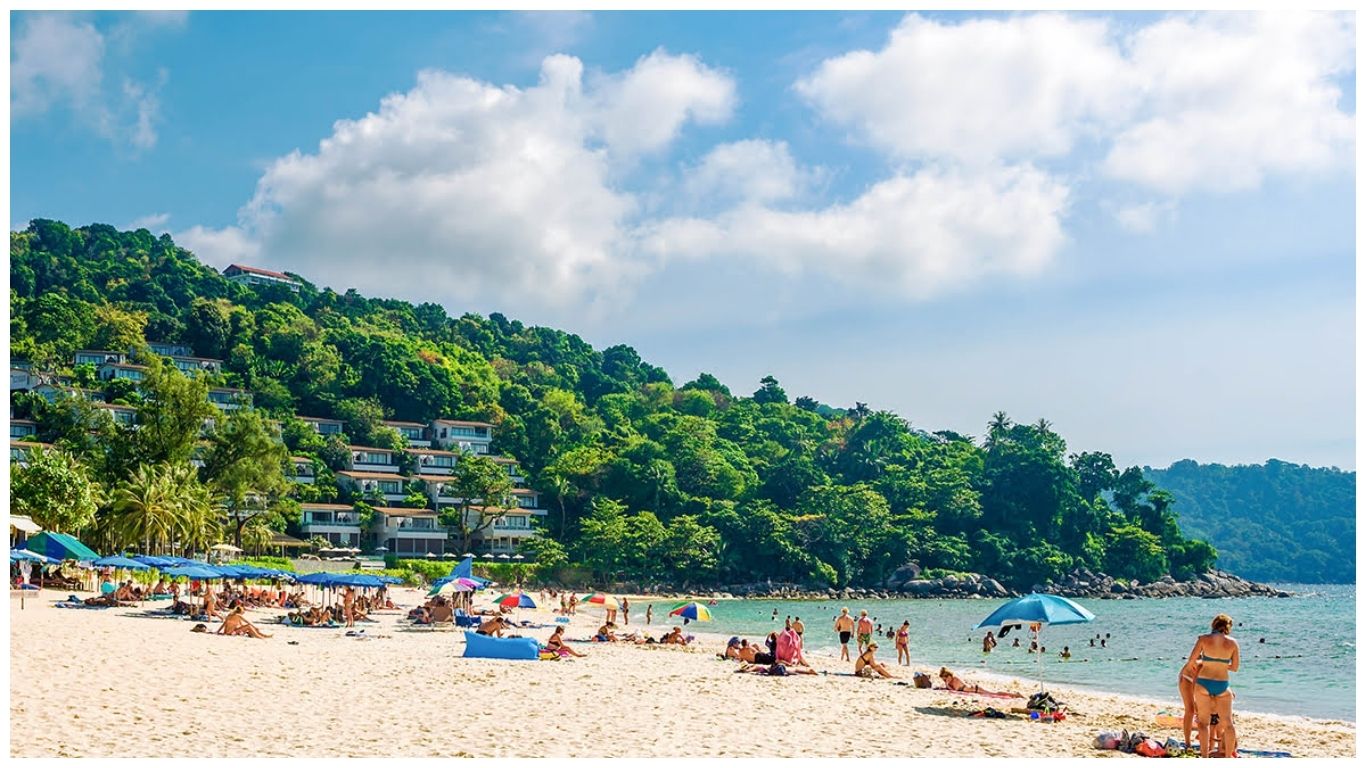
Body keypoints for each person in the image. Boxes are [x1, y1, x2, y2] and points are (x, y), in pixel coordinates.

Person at [1187, 614, 1240, 758]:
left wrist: (1205, 663)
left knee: (1203, 723)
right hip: (1222, 684)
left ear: (1213, 625)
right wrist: (1221, 664)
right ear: (1228, 627)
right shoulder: (1233, 643)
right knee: (1228, 724)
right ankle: (1228, 757)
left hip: (1204, 682)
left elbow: (1191, 661)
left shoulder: (1203, 639)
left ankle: (1205, 757)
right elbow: (1235, 667)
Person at [937, 668, 1021, 697]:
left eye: (944, 679)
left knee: (995, 694)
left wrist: (946, 684)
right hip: (974, 689)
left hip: (976, 689)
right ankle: (1015, 694)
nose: (944, 681)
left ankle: (1015, 695)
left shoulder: (954, 680)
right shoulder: (953, 680)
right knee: (994, 693)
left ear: (947, 676)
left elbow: (953, 690)